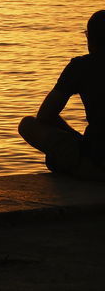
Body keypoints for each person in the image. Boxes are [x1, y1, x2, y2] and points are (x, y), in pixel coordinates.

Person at [18, 10, 105, 180]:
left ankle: (82, 166)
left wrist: (75, 138)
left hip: (97, 159)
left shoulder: (81, 67)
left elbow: (45, 115)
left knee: (27, 124)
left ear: (90, 38)